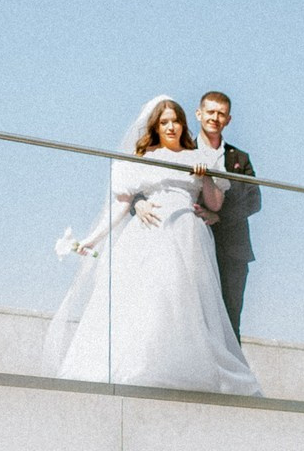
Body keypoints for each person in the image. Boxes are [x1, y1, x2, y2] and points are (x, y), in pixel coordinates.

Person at [45, 96, 261, 395]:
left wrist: (207, 178)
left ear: (184, 124)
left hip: (188, 232)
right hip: (150, 231)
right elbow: (121, 206)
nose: (171, 126)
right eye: (164, 122)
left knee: (183, 298)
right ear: (155, 127)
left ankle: (183, 367)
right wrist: (92, 239)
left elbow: (214, 203)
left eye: (175, 121)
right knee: (148, 296)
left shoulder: (199, 157)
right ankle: (143, 364)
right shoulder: (143, 159)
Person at [191, 90, 260, 336]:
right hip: (192, 244)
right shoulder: (182, 149)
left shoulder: (240, 157)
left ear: (228, 119)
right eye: (210, 112)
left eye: (221, 114)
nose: (215, 118)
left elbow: (254, 200)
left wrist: (219, 216)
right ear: (199, 114)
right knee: (192, 316)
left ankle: (233, 374)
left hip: (232, 249)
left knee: (230, 321)